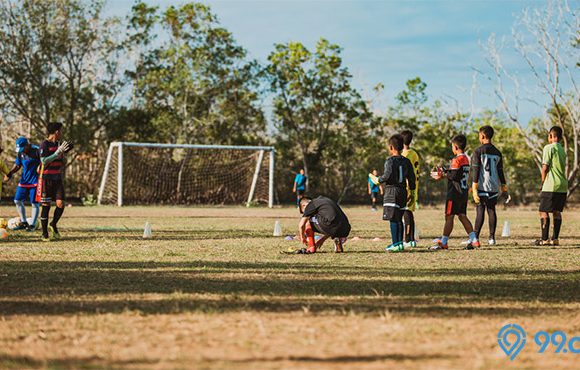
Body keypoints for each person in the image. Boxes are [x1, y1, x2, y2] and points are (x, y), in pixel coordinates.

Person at [430, 134, 480, 250]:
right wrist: (444, 171)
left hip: (454, 193)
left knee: (449, 216)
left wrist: (441, 175)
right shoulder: (466, 159)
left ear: (456, 147)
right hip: (463, 192)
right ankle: (474, 239)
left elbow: (453, 175)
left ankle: (444, 241)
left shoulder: (456, 159)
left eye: (452, 146)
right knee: (462, 216)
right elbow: (456, 172)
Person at [471, 125, 507, 246]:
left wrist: (474, 188)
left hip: (481, 186)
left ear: (482, 136)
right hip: (493, 186)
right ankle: (492, 238)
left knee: (480, 210)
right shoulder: (497, 152)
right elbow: (500, 171)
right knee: (491, 210)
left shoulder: (478, 151)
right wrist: (504, 186)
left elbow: (476, 171)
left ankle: (475, 237)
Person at [379, 134, 416, 252]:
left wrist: (379, 180)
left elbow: (387, 175)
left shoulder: (390, 161)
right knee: (399, 218)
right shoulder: (406, 161)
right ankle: (400, 243)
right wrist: (413, 192)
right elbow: (411, 178)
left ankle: (395, 243)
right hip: (403, 191)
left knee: (393, 219)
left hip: (392, 191)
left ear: (391, 147)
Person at [39, 122, 73, 241]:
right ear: (57, 132)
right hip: (46, 179)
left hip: (57, 179)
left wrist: (62, 155)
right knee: (46, 206)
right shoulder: (44, 144)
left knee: (60, 204)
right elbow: (44, 161)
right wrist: (57, 153)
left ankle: (53, 224)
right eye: (61, 131)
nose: (61, 133)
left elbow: (61, 162)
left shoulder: (60, 144)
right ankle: (44, 233)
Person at [535, 126, 568, 246]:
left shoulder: (549, 148)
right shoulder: (562, 149)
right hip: (562, 185)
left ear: (551, 136)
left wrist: (543, 182)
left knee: (543, 211)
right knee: (557, 211)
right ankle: (555, 239)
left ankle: (544, 239)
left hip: (551, 184)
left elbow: (545, 168)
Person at [4, 137, 41, 231]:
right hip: (24, 181)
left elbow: (44, 162)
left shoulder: (37, 150)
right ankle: (24, 222)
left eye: (22, 148)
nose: (21, 151)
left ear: (27, 145)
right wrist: (10, 173)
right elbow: (17, 165)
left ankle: (32, 225)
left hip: (35, 181)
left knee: (35, 203)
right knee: (17, 200)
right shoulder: (20, 153)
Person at [401, 130, 420, 247]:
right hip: (415, 186)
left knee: (406, 212)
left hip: (408, 187)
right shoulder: (414, 153)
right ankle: (411, 239)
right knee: (409, 213)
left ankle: (408, 239)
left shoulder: (405, 155)